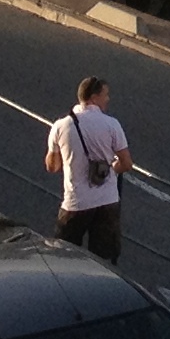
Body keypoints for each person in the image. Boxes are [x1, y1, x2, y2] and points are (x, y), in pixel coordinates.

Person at [44, 76, 131, 262]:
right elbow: (126, 163)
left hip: (76, 202)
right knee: (103, 261)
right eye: (105, 95)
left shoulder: (61, 126)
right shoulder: (112, 124)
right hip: (107, 201)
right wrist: (112, 169)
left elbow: (52, 167)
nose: (108, 99)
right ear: (93, 97)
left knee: (63, 257)